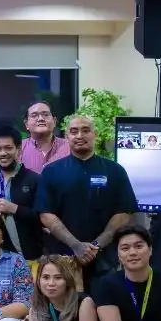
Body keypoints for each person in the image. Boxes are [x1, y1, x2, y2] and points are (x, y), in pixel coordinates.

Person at [35, 115, 137, 287]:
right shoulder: (51, 172)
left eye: (85, 130)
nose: (79, 135)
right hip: (62, 262)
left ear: (95, 134)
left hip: (104, 261)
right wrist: (75, 245)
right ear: (67, 137)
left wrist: (95, 246)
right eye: (74, 131)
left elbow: (124, 212)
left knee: (103, 308)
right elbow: (46, 214)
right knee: (65, 311)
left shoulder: (115, 171)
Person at [0, 125, 44, 261]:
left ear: (19, 150)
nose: (2, 153)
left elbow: (43, 219)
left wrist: (13, 208)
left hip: (29, 258)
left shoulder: (34, 180)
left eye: (8, 148)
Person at [19, 101, 69, 173]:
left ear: (54, 121)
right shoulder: (18, 149)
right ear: (26, 124)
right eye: (34, 115)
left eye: (45, 115)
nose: (41, 119)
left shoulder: (69, 147)